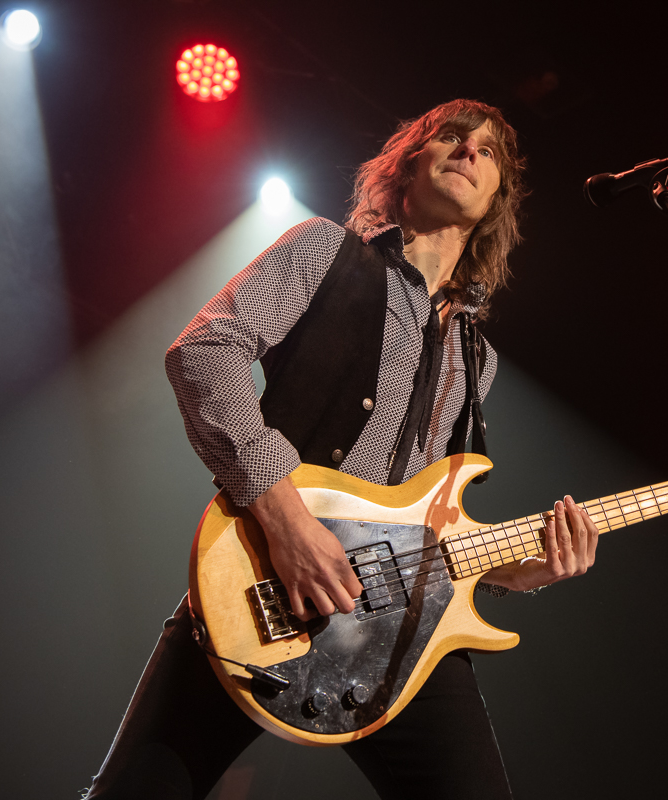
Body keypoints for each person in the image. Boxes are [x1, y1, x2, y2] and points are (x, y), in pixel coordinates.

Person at [84, 99, 599, 800]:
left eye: (488, 152)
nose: (469, 151)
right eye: (451, 136)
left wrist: (513, 572)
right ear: (408, 161)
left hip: (399, 631)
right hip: (262, 582)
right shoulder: (322, 250)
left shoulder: (478, 358)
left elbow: (428, 522)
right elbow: (204, 352)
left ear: (496, 200)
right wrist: (288, 522)